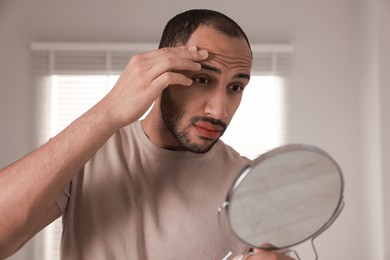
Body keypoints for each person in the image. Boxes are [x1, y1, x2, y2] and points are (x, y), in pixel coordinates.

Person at [0, 9, 294, 260]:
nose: (220, 111)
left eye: (235, 87)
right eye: (202, 79)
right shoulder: (88, 154)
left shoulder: (249, 183)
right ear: (164, 71)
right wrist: (110, 111)